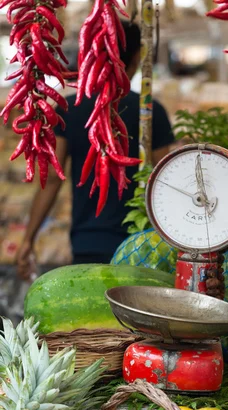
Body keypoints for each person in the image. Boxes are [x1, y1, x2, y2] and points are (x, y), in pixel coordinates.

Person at [17, 21, 174, 279]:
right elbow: (164, 177)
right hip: (141, 244)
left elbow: (54, 178)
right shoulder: (150, 111)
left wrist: (28, 238)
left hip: (86, 241)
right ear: (136, 59)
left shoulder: (69, 107)